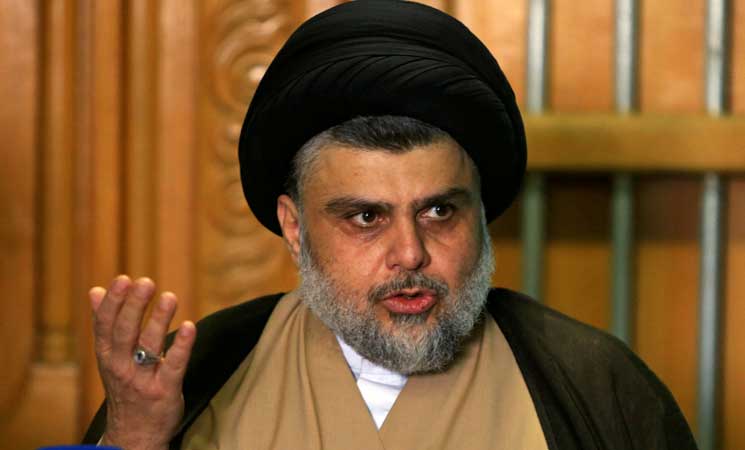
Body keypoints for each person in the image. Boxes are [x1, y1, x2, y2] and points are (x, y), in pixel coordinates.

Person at [83, 1, 697, 449]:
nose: (410, 253)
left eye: (439, 211)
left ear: (480, 212)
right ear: (294, 227)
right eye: (366, 217)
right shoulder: (205, 372)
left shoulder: (592, 383)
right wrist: (134, 440)